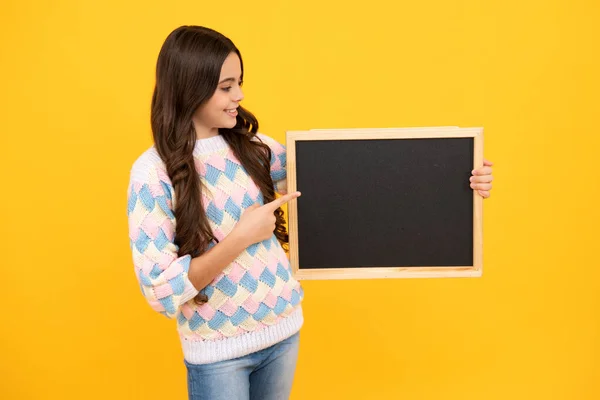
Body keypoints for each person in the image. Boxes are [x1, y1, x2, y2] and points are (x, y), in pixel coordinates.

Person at [126, 25, 494, 400]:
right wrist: (240, 238)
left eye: (239, 82)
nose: (239, 95)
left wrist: (458, 177)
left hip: (282, 332)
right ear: (190, 88)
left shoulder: (254, 148)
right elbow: (161, 290)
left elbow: (349, 182)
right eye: (226, 86)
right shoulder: (152, 173)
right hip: (218, 356)